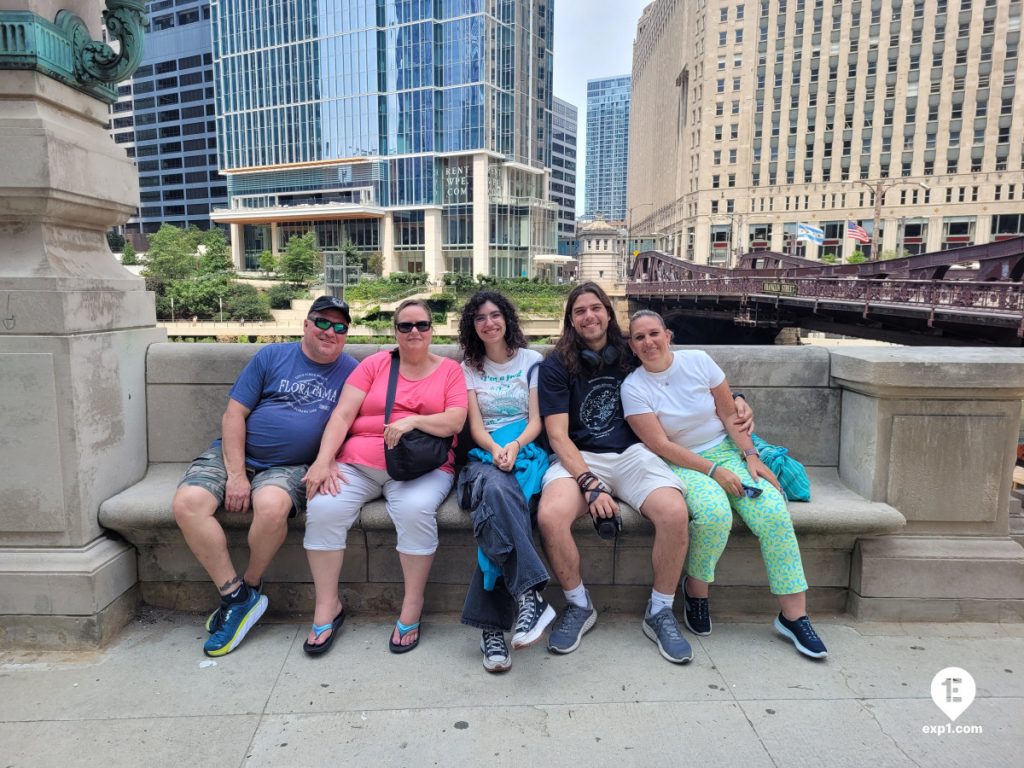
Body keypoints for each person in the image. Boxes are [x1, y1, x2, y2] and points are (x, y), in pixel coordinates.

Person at [620, 309, 827, 659]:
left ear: (668, 335)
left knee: (774, 513)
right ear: (632, 345)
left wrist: (750, 456)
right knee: (714, 515)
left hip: (728, 451)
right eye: (639, 337)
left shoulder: (699, 362)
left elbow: (729, 412)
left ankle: (794, 616)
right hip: (681, 463)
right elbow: (661, 445)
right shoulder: (634, 387)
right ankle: (696, 592)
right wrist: (714, 472)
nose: (648, 342)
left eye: (654, 333)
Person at [173, 296, 358, 657]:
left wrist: (332, 457)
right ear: (306, 324)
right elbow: (233, 415)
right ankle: (235, 595)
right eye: (323, 322)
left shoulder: (351, 370)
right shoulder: (271, 357)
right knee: (188, 504)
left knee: (271, 507)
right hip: (234, 454)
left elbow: (355, 421)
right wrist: (237, 474)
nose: (330, 332)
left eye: (340, 327)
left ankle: (251, 584)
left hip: (290, 467)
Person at [535, 282, 695, 664]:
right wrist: (589, 484)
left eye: (595, 308)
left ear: (608, 313)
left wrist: (734, 398)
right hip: (579, 457)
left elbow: (681, 377)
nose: (589, 316)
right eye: (579, 311)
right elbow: (557, 436)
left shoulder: (631, 351)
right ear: (571, 321)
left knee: (675, 514)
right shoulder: (555, 365)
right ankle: (578, 604)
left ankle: (659, 611)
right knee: (550, 516)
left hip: (633, 454)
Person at [301, 299, 467, 656]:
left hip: (422, 466)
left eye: (421, 325)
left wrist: (414, 421)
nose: (414, 332)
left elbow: (455, 420)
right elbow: (343, 415)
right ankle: (327, 605)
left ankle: (412, 605)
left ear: (432, 329)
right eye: (405, 326)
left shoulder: (450, 370)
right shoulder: (375, 365)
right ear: (395, 331)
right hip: (360, 462)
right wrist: (323, 460)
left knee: (415, 510)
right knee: (324, 507)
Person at [456, 290, 554, 673]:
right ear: (472, 326)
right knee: (497, 490)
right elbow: (476, 427)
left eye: (495, 315)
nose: (489, 323)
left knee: (496, 507)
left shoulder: (531, 361)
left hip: (525, 451)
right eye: (480, 318)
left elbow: (536, 420)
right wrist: (495, 449)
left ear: (507, 319)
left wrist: (512, 446)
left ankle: (492, 630)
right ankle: (530, 596)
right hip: (485, 455)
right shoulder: (468, 366)